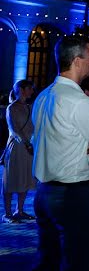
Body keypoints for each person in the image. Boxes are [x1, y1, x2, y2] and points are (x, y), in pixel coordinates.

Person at [31, 35, 89, 270]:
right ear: (76, 61)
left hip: (44, 192)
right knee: (79, 260)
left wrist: (84, 144)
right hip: (73, 194)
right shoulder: (78, 100)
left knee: (49, 259)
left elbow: (45, 139)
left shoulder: (44, 96)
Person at [2, 80, 35, 223]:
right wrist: (26, 142)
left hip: (28, 146)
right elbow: (13, 129)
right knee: (11, 179)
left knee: (25, 178)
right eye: (29, 88)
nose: (32, 91)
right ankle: (7, 213)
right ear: (21, 90)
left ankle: (19, 210)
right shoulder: (11, 108)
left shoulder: (29, 107)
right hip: (16, 147)